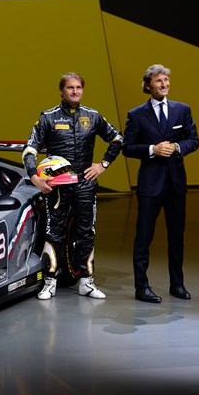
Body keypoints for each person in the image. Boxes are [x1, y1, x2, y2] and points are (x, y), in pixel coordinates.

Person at [22, 72, 123, 300]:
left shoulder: (93, 116)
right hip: (57, 186)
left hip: (85, 184)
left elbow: (118, 139)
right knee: (53, 233)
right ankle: (50, 282)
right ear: (61, 90)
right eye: (70, 87)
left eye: (79, 87)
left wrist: (103, 165)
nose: (75, 91)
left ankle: (87, 282)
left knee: (86, 233)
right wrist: (34, 177)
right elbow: (29, 149)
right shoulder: (48, 117)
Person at [122, 64, 199, 303]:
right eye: (158, 81)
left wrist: (177, 147)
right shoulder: (137, 114)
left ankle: (177, 284)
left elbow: (194, 140)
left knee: (177, 236)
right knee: (143, 237)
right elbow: (127, 147)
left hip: (176, 183)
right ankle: (141, 287)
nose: (164, 84)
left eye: (166, 80)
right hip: (150, 184)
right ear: (148, 86)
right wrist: (152, 150)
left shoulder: (182, 110)